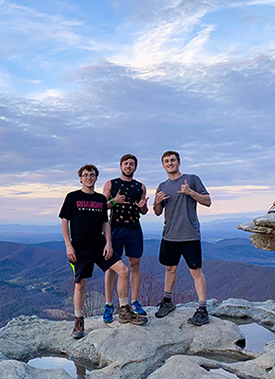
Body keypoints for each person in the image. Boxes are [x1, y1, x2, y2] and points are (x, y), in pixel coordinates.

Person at [59, 164, 148, 339]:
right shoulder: (72, 197)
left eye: (92, 175)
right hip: (80, 248)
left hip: (100, 245)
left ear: (96, 178)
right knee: (80, 284)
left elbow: (105, 223)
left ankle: (124, 310)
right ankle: (78, 321)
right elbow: (64, 221)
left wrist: (108, 243)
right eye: (85, 175)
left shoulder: (100, 200)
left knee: (123, 270)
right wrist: (68, 245)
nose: (89, 178)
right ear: (80, 178)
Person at [153, 151, 212, 326]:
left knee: (196, 271)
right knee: (169, 268)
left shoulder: (192, 179)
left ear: (179, 163)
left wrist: (190, 192)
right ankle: (167, 301)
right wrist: (156, 202)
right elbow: (157, 212)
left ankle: (203, 309)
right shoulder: (162, 185)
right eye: (166, 161)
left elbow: (208, 201)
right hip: (169, 235)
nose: (170, 163)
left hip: (189, 235)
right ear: (163, 165)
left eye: (173, 160)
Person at [102, 154, 149, 323]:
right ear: (120, 166)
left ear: (135, 167)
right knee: (111, 266)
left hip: (134, 228)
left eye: (132, 164)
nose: (129, 166)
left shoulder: (140, 186)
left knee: (135, 264)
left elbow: (144, 210)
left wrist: (144, 207)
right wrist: (114, 202)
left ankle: (134, 302)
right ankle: (108, 304)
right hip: (115, 228)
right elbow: (102, 205)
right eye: (126, 164)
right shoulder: (111, 184)